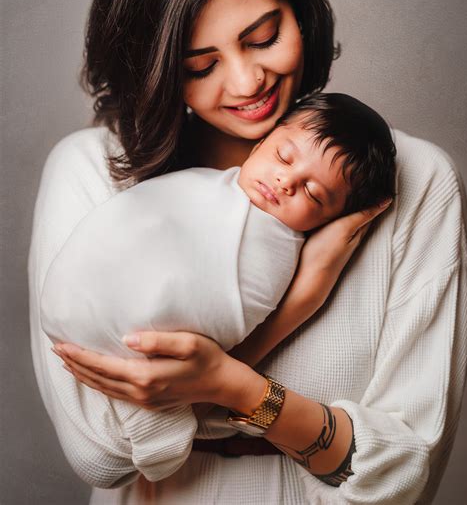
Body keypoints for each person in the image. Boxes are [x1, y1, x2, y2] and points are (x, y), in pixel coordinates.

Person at [28, 0, 467, 505]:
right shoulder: (94, 169)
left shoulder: (417, 180)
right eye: (199, 65)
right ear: (153, 67)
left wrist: (231, 392)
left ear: (300, 8)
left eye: (263, 36)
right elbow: (101, 453)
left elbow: (403, 471)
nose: (246, 81)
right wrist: (297, 302)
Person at [40, 90, 396, 377]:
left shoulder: (279, 248)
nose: (285, 182)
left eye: (314, 194)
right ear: (261, 143)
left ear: (330, 220)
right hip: (71, 307)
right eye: (283, 157)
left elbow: (232, 309)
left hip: (138, 343)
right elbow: (141, 218)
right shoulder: (200, 182)